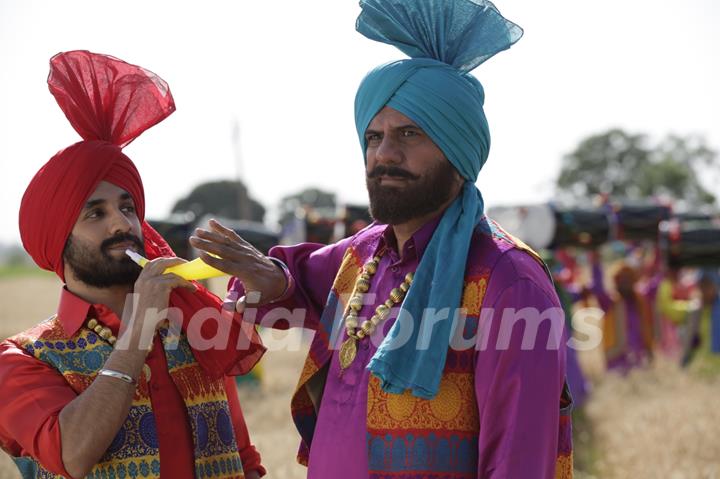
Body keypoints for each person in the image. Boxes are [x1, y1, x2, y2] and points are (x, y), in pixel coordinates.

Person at [191, 1, 572, 477]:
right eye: (373, 137)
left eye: (409, 133)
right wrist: (268, 277)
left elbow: (519, 462)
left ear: (458, 149)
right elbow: (297, 285)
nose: (384, 154)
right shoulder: (362, 254)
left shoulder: (509, 279)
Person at [0, 51, 266, 479]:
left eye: (127, 207)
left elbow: (242, 457)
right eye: (95, 213)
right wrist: (139, 327)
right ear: (56, 242)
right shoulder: (22, 359)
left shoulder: (194, 326)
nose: (122, 224)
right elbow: (71, 453)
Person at [588, 251, 654, 373]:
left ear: (634, 281)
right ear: (616, 281)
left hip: (639, 361)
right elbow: (598, 289)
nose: (625, 283)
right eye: (621, 280)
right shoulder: (611, 303)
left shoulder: (639, 302)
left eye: (628, 279)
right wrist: (596, 264)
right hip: (616, 362)